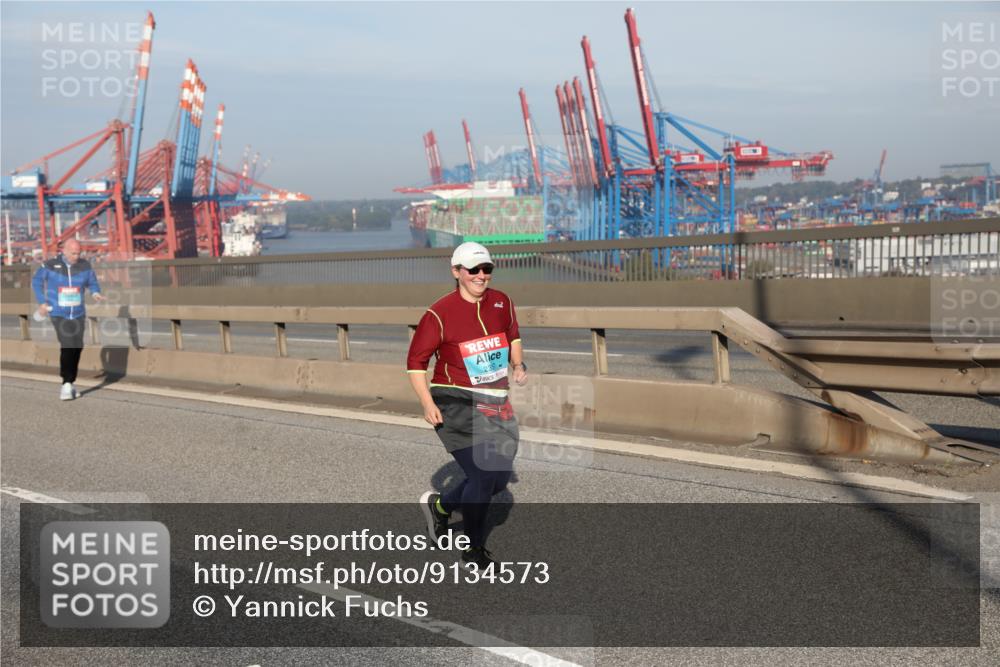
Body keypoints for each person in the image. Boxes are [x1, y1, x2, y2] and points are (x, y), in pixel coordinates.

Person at [408, 241, 528, 568]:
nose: (481, 275)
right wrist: (427, 402)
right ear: (456, 272)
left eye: (486, 269)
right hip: (454, 399)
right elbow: (416, 362)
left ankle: (441, 508)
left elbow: (512, 335)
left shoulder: (502, 302)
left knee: (497, 481)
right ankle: (473, 551)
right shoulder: (439, 313)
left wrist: (518, 365)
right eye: (473, 269)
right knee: (482, 474)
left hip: (495, 399)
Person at [31, 239, 105, 400]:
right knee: (68, 343)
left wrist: (95, 292)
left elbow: (92, 282)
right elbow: (36, 282)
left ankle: (70, 383)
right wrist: (42, 302)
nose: (76, 257)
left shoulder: (84, 265)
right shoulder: (50, 265)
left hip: (78, 312)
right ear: (63, 251)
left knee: (77, 346)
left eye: (78, 253)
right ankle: (66, 383)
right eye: (73, 253)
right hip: (58, 312)